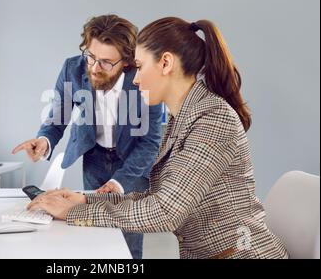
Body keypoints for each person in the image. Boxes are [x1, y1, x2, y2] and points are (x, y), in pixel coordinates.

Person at [26, 17, 289, 259]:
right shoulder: (182, 118)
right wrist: (85, 199)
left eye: (139, 67)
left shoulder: (212, 119)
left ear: (165, 63)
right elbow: (157, 197)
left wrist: (75, 213)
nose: (136, 79)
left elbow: (164, 212)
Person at [12, 15, 163, 259]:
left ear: (125, 62)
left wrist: (119, 182)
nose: (94, 68)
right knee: (92, 229)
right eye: (90, 56)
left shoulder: (144, 79)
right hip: (93, 157)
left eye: (105, 62)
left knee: (128, 238)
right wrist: (44, 141)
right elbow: (58, 116)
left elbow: (150, 141)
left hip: (132, 162)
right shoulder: (72, 68)